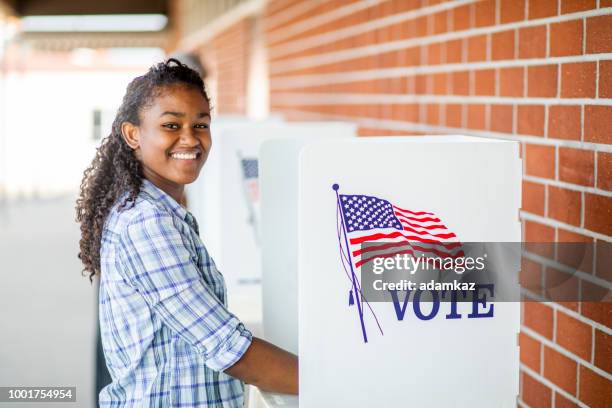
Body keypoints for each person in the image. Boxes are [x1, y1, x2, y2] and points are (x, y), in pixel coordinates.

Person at [75, 58, 298, 406]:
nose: (190, 139)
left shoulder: (160, 209)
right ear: (133, 134)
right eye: (171, 125)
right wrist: (330, 378)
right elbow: (228, 348)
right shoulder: (147, 223)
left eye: (201, 124)